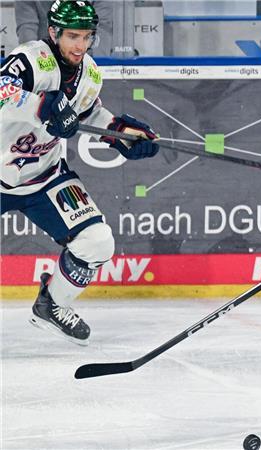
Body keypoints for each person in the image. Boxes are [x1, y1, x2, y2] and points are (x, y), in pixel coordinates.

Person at [1, 0, 159, 345]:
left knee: (97, 241)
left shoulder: (90, 73)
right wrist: (41, 105)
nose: (80, 45)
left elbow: (88, 115)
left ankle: (52, 304)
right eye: (72, 36)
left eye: (87, 37)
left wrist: (120, 133)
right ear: (53, 32)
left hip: (43, 175)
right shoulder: (31, 58)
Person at [15, 0, 114, 56]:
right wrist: (35, 62)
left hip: (85, 59)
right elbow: (27, 29)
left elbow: (102, 28)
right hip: (45, 59)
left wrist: (93, 66)